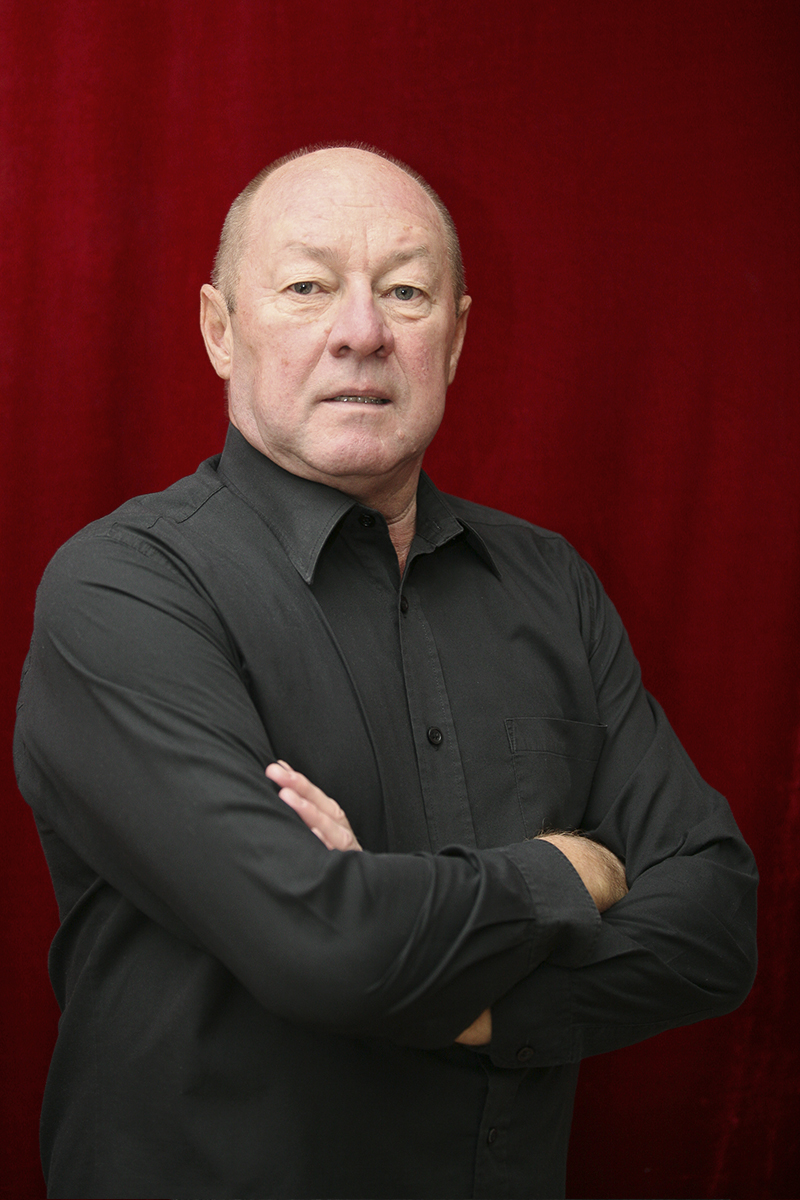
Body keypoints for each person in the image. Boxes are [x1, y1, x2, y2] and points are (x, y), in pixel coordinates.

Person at [14, 144, 757, 1200]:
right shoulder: (125, 589)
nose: (361, 332)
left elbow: (715, 924)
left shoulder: (548, 584)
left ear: (454, 337)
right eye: (308, 287)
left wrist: (482, 1006)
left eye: (406, 292)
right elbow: (319, 947)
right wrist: (569, 868)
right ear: (220, 330)